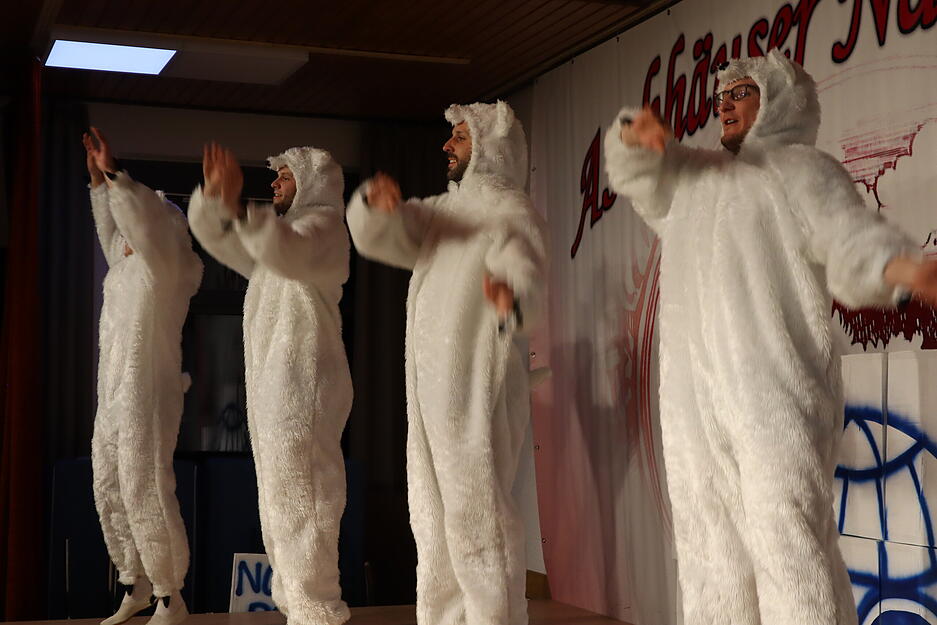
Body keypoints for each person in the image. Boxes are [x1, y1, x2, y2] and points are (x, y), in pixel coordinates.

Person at [603, 49, 937, 625]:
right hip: (693, 415)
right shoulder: (693, 178)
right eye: (721, 97)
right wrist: (635, 135)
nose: (725, 105)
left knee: (791, 559)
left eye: (741, 93)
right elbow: (635, 174)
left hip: (772, 403)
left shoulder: (801, 170)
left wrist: (902, 269)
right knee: (712, 567)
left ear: (776, 98)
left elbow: (848, 237)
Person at [346, 100, 547, 625]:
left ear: (489, 146)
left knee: (477, 516)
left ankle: (491, 618)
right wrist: (375, 207)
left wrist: (512, 298)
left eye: (459, 136)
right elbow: (381, 235)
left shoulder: (509, 211)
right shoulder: (442, 212)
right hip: (433, 394)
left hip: (478, 388)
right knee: (432, 520)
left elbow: (525, 270)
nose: (446, 145)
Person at [187, 144, 352, 625]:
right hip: (276, 388)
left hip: (306, 384)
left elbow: (285, 246)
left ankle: (317, 605)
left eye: (285, 175)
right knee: (280, 495)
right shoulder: (277, 244)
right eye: (275, 176)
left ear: (312, 181)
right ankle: (296, 601)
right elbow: (228, 241)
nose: (275, 183)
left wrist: (242, 209)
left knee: (307, 493)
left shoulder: (323, 228)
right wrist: (216, 203)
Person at [84, 127, 202, 625]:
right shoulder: (124, 268)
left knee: (146, 485)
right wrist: (99, 187)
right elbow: (111, 230)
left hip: (148, 393)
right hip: (113, 394)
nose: (129, 238)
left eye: (139, 229)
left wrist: (116, 177)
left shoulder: (169, 268)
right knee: (108, 481)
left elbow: (148, 226)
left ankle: (170, 595)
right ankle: (132, 583)